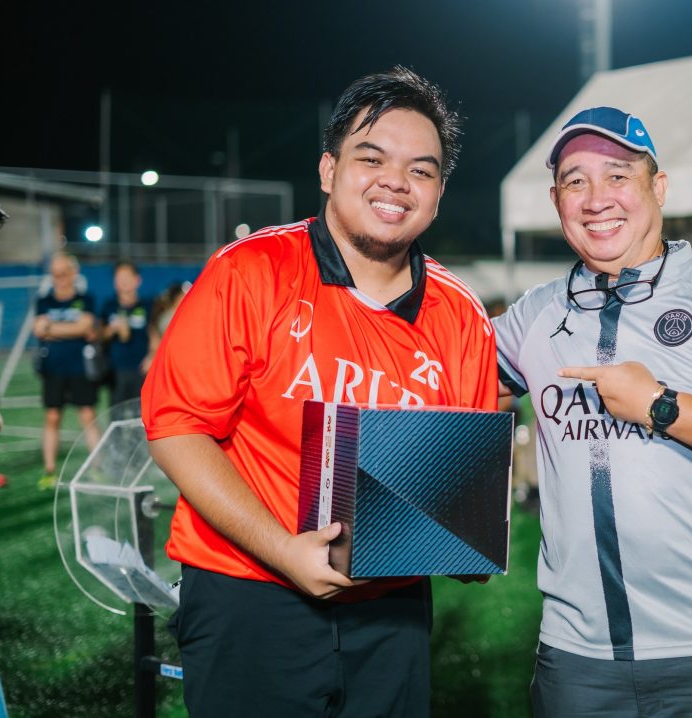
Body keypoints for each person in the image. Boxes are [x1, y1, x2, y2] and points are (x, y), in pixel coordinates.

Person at [141, 66, 498, 717]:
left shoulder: (460, 314)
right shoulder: (249, 271)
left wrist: (466, 533)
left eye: (421, 169)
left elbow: (457, 478)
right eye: (372, 158)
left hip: (391, 604)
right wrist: (283, 550)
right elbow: (177, 428)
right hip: (247, 588)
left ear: (439, 194)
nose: (396, 181)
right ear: (329, 170)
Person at [493, 106, 692, 717]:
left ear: (658, 188)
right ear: (556, 200)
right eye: (575, 181)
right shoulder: (533, 314)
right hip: (575, 657)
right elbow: (450, 393)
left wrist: (659, 404)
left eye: (618, 176)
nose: (596, 199)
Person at [33, 251, 101, 489]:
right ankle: (50, 470)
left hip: (80, 367)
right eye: (55, 274)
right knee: (52, 417)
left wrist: (52, 327)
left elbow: (85, 327)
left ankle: (97, 468)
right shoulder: (44, 300)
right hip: (53, 369)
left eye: (63, 273)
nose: (59, 278)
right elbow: (39, 330)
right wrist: (72, 328)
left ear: (73, 273)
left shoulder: (86, 298)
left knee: (88, 415)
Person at [100, 260, 154, 407]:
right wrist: (112, 329)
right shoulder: (109, 306)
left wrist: (152, 356)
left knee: (143, 413)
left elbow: (156, 334)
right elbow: (99, 335)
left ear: (137, 280)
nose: (123, 282)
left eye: (127, 277)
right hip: (116, 370)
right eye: (119, 278)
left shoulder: (148, 305)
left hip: (142, 369)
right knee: (117, 413)